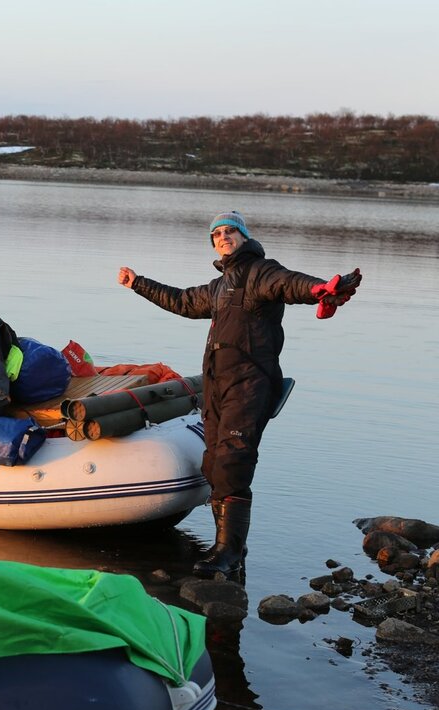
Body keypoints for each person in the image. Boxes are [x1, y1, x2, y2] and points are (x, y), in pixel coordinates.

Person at [118, 211, 360, 579]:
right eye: (216, 234)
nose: (223, 236)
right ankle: (230, 547)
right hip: (217, 385)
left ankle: (228, 552)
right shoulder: (219, 286)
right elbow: (181, 301)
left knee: (233, 463)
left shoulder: (261, 272)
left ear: (244, 236)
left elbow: (290, 284)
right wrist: (139, 283)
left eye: (230, 230)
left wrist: (320, 290)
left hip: (250, 384)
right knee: (214, 464)